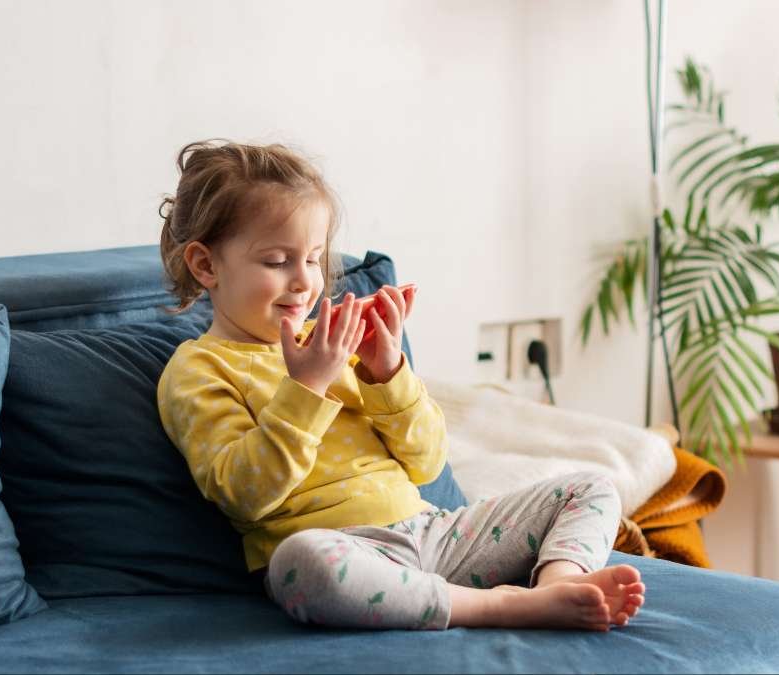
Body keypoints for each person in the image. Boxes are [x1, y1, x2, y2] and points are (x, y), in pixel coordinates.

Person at [155, 139, 645, 631]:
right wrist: (307, 387)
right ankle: (505, 606)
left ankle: (558, 585)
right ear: (206, 265)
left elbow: (427, 462)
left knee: (592, 487)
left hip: (431, 532)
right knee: (299, 564)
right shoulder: (199, 370)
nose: (304, 282)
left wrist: (385, 373)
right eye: (277, 261)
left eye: (314, 259)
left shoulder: (335, 340)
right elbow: (243, 493)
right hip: (344, 551)